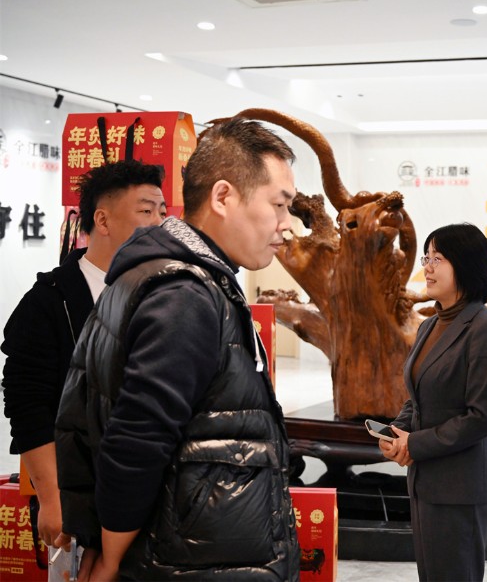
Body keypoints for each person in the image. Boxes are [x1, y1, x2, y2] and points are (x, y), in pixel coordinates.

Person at [55, 117, 301, 581]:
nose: (287, 226)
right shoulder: (184, 294)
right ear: (223, 197)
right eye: (279, 205)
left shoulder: (165, 277)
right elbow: (137, 438)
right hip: (185, 562)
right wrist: (110, 557)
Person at [2, 160, 166, 560]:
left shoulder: (165, 294)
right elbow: (28, 405)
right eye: (146, 211)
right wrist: (52, 498)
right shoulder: (48, 302)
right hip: (82, 500)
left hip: (155, 498)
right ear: (103, 220)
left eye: (162, 212)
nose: (159, 223)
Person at [379, 223, 487, 581]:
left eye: (437, 259)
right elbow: (418, 397)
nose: (427, 267)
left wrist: (416, 444)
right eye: (427, 258)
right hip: (426, 482)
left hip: (462, 488)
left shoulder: (486, 328)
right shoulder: (429, 326)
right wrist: (398, 431)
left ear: (465, 265)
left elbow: (482, 416)